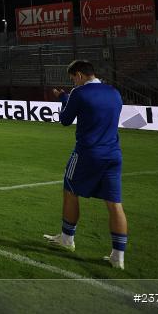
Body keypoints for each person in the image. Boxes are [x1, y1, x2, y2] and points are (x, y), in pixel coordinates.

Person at [44, 60, 128, 270]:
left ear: (80, 75)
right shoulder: (114, 92)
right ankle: (118, 257)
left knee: (70, 190)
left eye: (73, 78)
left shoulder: (79, 93)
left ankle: (67, 239)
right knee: (114, 204)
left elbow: (65, 119)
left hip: (87, 153)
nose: (74, 82)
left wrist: (63, 98)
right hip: (113, 154)